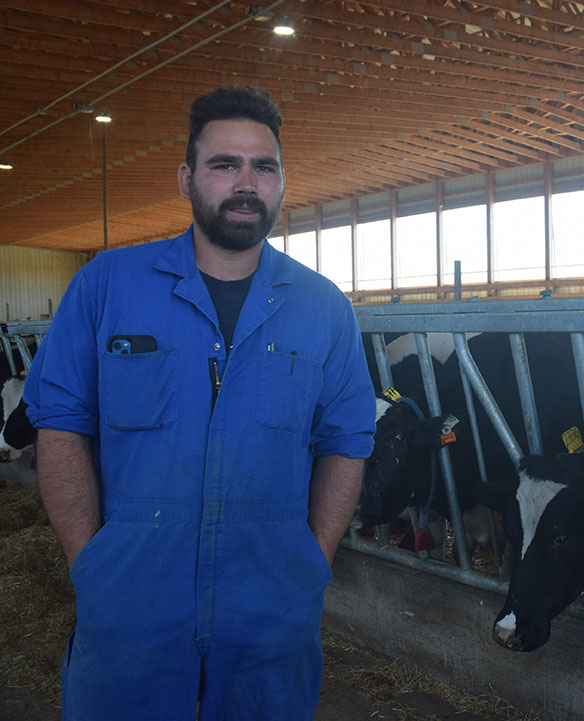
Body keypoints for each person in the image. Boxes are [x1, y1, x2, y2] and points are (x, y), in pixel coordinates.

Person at [23, 85, 375, 721]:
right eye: (224, 164)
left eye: (262, 167)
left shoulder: (325, 308)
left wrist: (311, 565)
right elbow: (61, 427)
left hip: (272, 607)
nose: (246, 183)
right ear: (187, 179)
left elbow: (347, 442)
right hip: (130, 597)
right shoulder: (106, 284)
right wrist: (91, 565)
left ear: (281, 182)